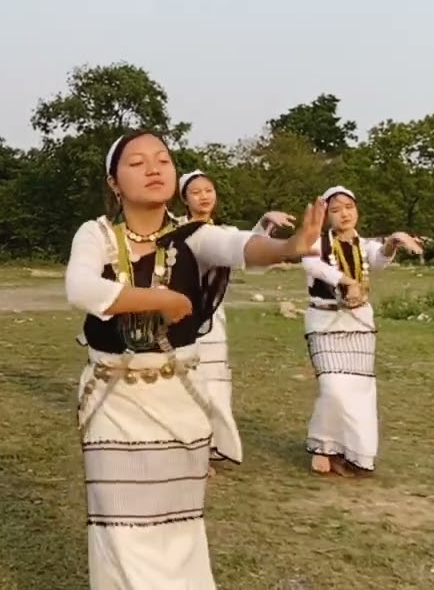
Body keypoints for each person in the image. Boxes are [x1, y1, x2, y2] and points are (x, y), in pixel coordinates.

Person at [67, 132, 325, 590]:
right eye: (137, 162)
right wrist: (159, 298)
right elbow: (81, 289)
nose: (154, 168)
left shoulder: (194, 236)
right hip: (114, 399)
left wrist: (286, 248)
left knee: (177, 527)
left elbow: (240, 246)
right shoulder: (97, 234)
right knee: (120, 527)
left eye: (163, 160)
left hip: (177, 400)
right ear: (114, 182)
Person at [177, 169, 294, 476]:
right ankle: (191, 450)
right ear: (184, 199)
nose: (204, 196)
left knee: (215, 388)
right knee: (190, 388)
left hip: (214, 321)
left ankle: (211, 446)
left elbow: (239, 248)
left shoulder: (222, 230)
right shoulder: (178, 231)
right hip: (184, 320)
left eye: (208, 190)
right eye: (196, 192)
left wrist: (265, 224)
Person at [300, 185, 422, 477]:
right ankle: (324, 445)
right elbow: (313, 265)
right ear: (326, 215)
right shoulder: (317, 242)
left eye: (349, 208)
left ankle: (350, 451)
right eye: (336, 209)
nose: (344, 214)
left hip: (359, 322)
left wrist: (392, 242)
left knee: (359, 390)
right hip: (325, 321)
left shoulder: (362, 244)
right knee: (333, 388)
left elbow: (378, 259)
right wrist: (346, 280)